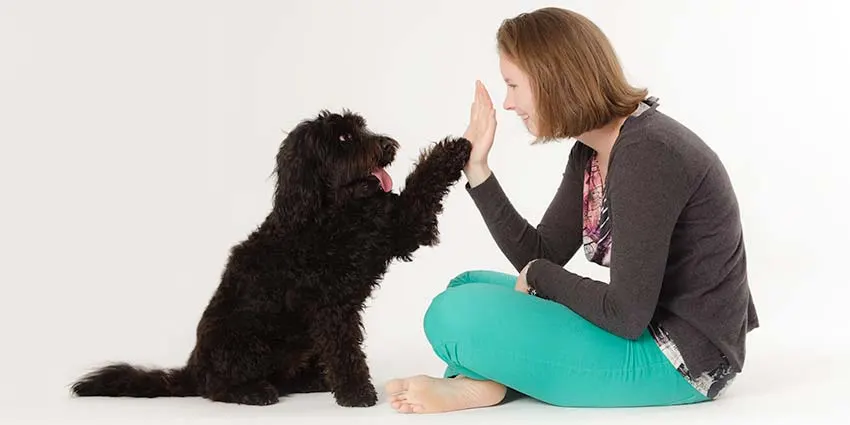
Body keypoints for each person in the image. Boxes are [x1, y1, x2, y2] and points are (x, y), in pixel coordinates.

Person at [385, 7, 759, 414]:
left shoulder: (647, 153)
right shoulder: (594, 150)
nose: (508, 104)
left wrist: (541, 276)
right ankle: (487, 383)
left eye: (513, 85)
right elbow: (540, 252)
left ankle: (486, 380)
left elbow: (625, 313)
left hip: (680, 360)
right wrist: (477, 168)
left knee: (449, 314)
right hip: (639, 332)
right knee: (465, 284)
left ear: (552, 79)